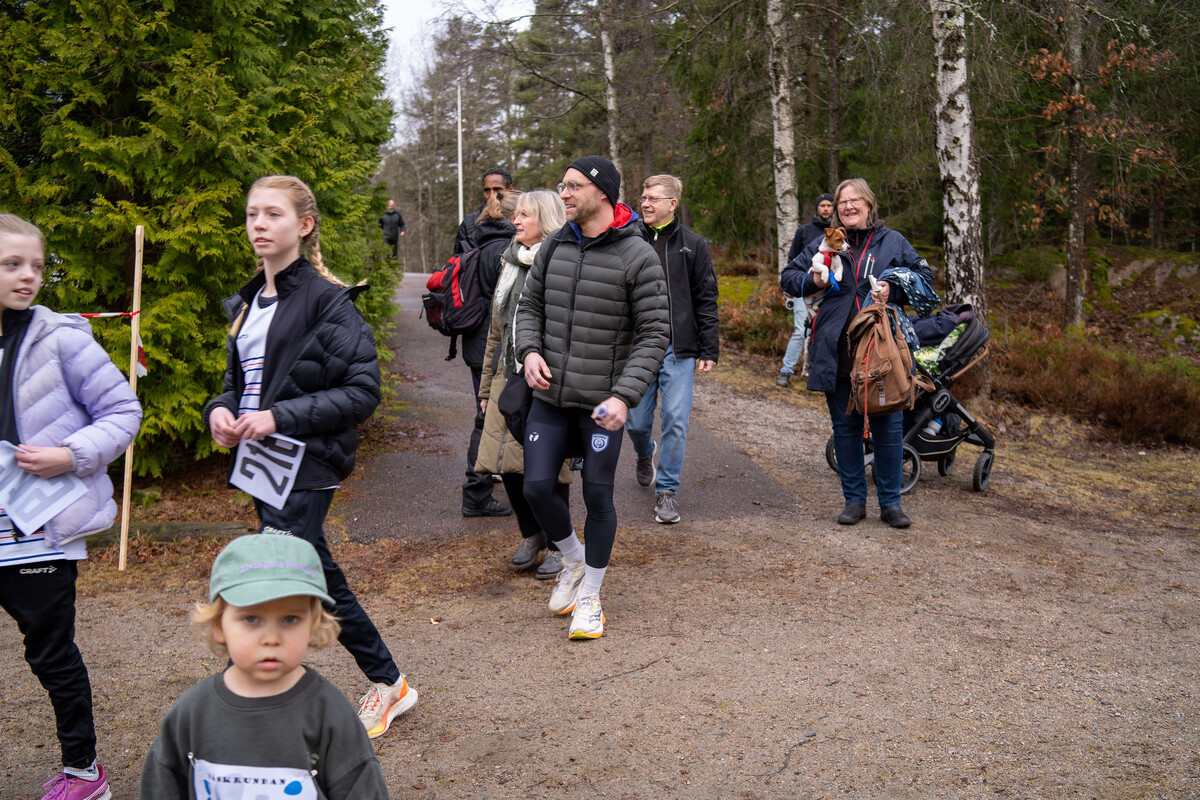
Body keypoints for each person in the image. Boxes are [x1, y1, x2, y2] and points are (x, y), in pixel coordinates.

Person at [202, 175, 418, 739]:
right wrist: (220, 413)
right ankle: (389, 682)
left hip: (307, 459)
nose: (258, 224)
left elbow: (362, 393)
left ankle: (254, 702)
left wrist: (278, 418)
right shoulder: (248, 302)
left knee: (278, 579)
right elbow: (239, 386)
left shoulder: (327, 302)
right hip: (261, 464)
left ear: (304, 225)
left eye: (273, 214)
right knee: (312, 573)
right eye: (252, 213)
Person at [0, 212, 143, 800]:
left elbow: (123, 412)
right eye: (11, 264)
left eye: (35, 265)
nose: (28, 276)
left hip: (38, 532)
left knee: (51, 655)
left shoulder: (62, 338)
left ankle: (85, 774)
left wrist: (71, 455)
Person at [514, 155, 669, 640]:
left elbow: (655, 333)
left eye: (573, 186)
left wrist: (625, 396)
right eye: (562, 185)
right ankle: (574, 560)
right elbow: (530, 306)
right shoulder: (555, 245)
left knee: (598, 494)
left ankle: (591, 598)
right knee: (536, 488)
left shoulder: (637, 254)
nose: (563, 193)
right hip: (550, 395)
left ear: (602, 192)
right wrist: (528, 351)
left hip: (603, 403)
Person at [140, 534, 389, 799]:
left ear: (313, 625)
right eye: (251, 618)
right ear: (219, 625)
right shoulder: (192, 715)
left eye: (290, 618)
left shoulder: (330, 716)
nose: (271, 638)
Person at [780, 178, 933, 529]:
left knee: (888, 431)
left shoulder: (893, 241)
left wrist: (893, 288)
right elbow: (788, 277)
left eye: (855, 200)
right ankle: (854, 501)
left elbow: (925, 278)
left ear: (869, 204)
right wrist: (814, 281)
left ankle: (891, 504)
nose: (848, 206)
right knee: (845, 429)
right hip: (836, 350)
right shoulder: (824, 243)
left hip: (882, 353)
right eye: (842, 202)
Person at [476, 189, 575, 577]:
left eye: (525, 215)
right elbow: (496, 330)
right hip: (508, 373)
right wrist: (486, 389)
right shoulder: (510, 261)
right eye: (515, 214)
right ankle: (531, 534)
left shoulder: (563, 262)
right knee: (505, 463)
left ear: (545, 220)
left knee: (550, 467)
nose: (515, 220)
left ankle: (560, 544)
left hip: (546, 377)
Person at [625, 175, 719, 525]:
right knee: (636, 422)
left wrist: (709, 348)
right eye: (643, 197)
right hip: (637, 347)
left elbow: (706, 298)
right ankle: (644, 451)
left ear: (672, 204)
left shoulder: (693, 244)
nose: (645, 203)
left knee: (676, 420)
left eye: (652, 198)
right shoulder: (628, 239)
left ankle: (666, 491)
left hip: (679, 348)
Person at [460, 187, 518, 518]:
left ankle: (480, 489)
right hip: (492, 348)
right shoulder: (505, 251)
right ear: (513, 216)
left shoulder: (481, 244)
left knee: (488, 417)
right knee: (489, 418)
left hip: (476, 342)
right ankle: (477, 493)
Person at [777, 192, 835, 387]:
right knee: (801, 330)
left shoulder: (838, 233)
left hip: (829, 291)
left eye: (829, 205)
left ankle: (816, 373)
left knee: (823, 332)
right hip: (804, 288)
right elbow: (792, 260)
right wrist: (789, 285)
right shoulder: (804, 231)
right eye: (822, 205)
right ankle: (786, 370)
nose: (825, 208)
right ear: (817, 208)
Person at [454, 167, 513, 255]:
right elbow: (460, 259)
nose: (492, 195)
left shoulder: (522, 218)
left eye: (497, 189)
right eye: (487, 190)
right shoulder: (470, 223)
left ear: (510, 189)